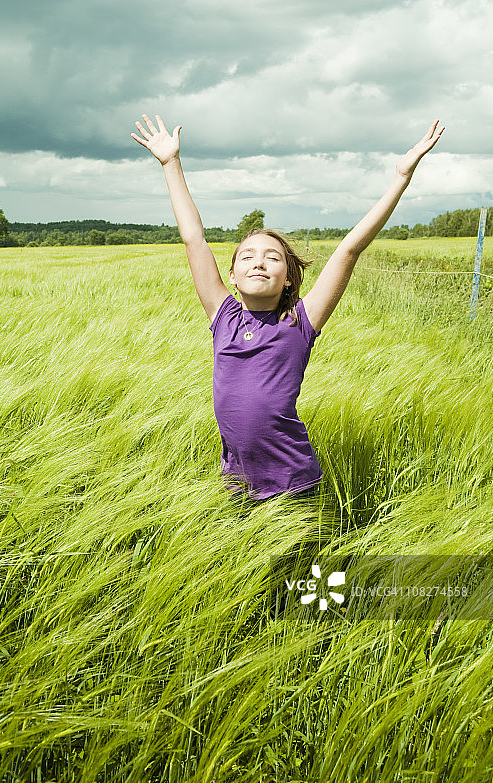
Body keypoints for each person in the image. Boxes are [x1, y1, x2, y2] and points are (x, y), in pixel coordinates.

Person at [131, 114, 445, 504]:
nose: (258, 262)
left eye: (272, 258)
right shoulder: (223, 316)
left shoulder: (300, 321)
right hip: (237, 482)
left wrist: (401, 177)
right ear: (231, 274)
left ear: (289, 279)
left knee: (303, 566)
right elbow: (194, 240)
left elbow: (349, 248)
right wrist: (171, 164)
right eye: (247, 256)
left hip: (294, 483)